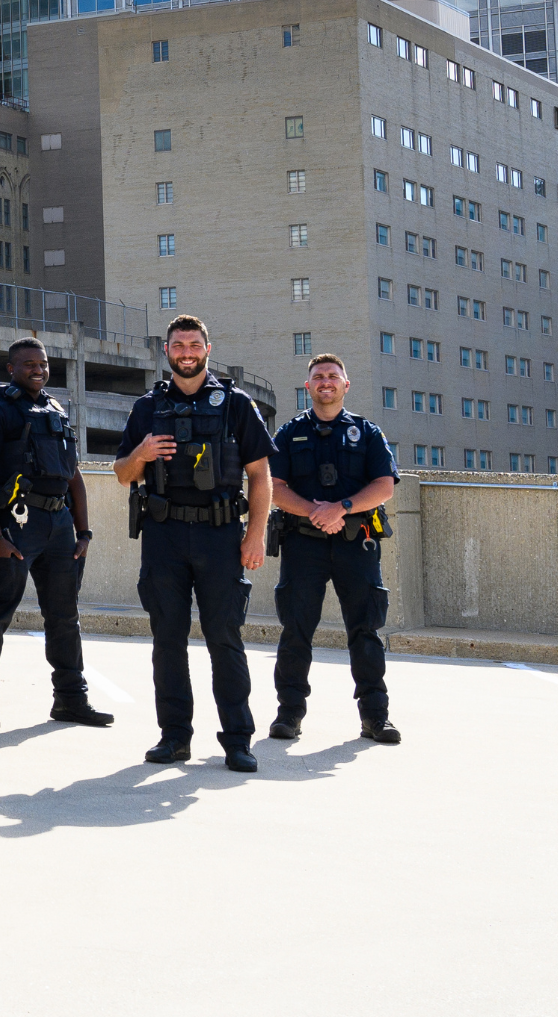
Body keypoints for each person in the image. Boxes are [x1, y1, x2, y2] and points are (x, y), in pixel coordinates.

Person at [113, 315, 275, 772]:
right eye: (178, 345)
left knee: (225, 638)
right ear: (166, 351)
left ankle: (238, 740)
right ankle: (174, 737)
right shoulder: (148, 407)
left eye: (194, 344)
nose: (187, 352)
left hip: (220, 535)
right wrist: (141, 455)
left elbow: (260, 475)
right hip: (163, 536)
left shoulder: (236, 404)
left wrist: (255, 533)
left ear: (208, 348)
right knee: (168, 640)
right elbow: (122, 472)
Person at [0, 337, 112, 732]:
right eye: (28, 364)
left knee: (64, 617)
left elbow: (74, 475)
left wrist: (84, 531)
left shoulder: (55, 409)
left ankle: (70, 701)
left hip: (58, 526)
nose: (38, 370)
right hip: (15, 524)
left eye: (42, 364)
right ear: (10, 369)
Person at [267, 353, 403, 746]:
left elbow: (384, 486)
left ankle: (375, 717)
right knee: (296, 631)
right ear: (307, 387)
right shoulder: (289, 434)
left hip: (354, 544)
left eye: (333, 376)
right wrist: (315, 512)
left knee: (365, 632)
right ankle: (289, 714)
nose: (325, 381)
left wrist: (340, 508)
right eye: (318, 377)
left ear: (346, 385)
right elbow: (273, 487)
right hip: (302, 543)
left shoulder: (367, 432)